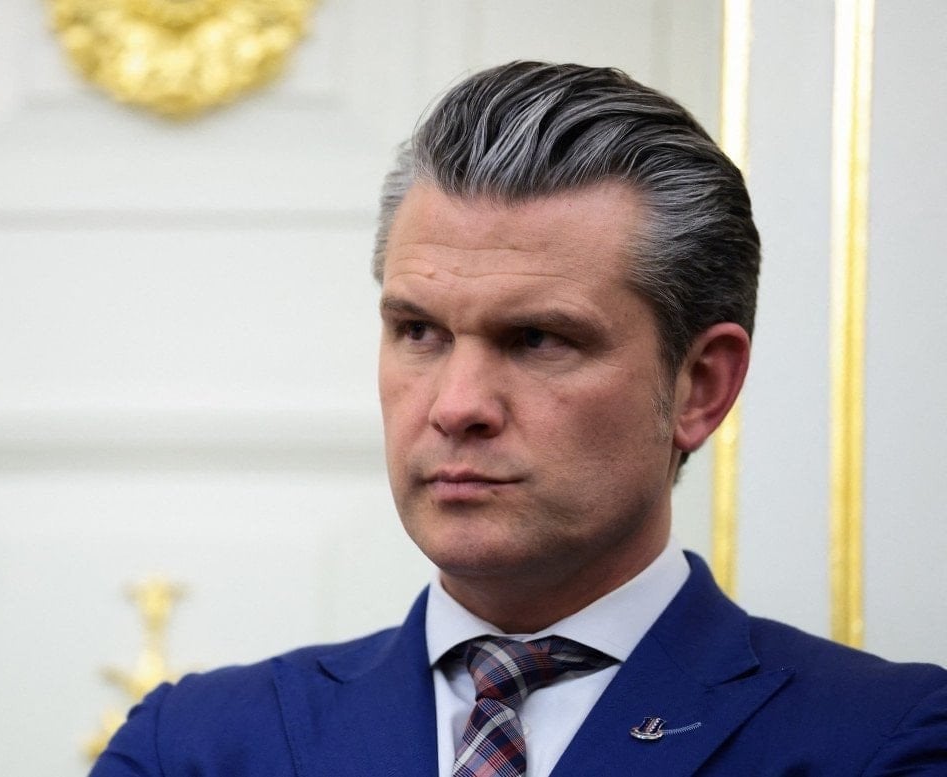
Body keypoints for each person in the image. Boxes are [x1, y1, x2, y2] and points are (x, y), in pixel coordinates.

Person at [90, 61, 947, 776]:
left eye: (537, 339)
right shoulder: (195, 746)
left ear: (699, 386)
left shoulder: (882, 740)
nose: (456, 405)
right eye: (418, 331)